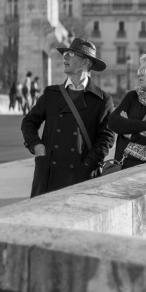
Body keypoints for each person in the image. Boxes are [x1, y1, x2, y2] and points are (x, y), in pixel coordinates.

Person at [21, 38, 115, 197]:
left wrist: (87, 164)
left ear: (85, 63)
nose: (65, 57)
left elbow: (106, 137)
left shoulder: (102, 100)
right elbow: (29, 122)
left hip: (80, 176)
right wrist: (36, 145)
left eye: (70, 54)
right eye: (65, 53)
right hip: (48, 174)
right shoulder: (51, 94)